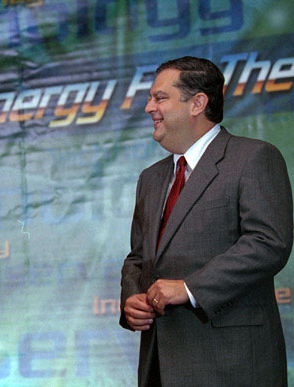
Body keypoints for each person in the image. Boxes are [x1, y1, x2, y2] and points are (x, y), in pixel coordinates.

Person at [120, 56, 292, 386]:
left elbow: (269, 243)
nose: (148, 107)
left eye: (159, 97)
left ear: (198, 103)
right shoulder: (151, 178)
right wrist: (132, 298)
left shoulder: (253, 158)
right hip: (160, 365)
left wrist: (189, 288)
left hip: (231, 365)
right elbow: (139, 258)